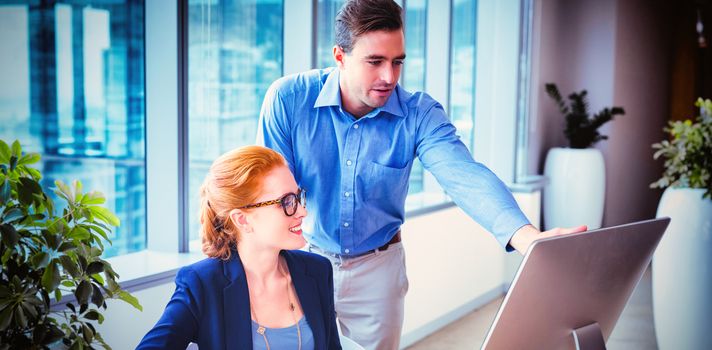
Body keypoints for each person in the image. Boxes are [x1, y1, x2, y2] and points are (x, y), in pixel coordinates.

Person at [257, 0, 586, 348]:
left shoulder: (418, 114)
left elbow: (464, 175)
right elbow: (269, 194)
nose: (389, 77)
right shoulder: (289, 100)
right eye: (375, 62)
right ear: (340, 56)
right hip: (305, 259)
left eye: (397, 62)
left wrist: (527, 239)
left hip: (378, 271)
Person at [137, 146, 342, 349]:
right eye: (286, 202)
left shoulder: (317, 270)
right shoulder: (202, 284)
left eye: (298, 197)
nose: (303, 211)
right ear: (242, 220)